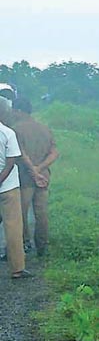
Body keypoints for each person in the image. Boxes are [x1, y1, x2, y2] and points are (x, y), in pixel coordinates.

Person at [11, 97, 59, 257]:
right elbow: (54, 153)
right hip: (43, 178)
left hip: (24, 178)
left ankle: (25, 243)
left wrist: (33, 171)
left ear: (18, 110)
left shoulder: (16, 129)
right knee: (41, 213)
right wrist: (40, 169)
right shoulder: (44, 128)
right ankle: (42, 245)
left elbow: (21, 153)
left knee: (21, 212)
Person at [0, 91, 31, 278]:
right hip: (8, 188)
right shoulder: (7, 133)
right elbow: (12, 161)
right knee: (13, 227)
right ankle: (17, 268)